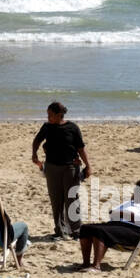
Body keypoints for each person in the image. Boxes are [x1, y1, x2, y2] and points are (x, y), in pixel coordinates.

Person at [31, 101, 90, 240]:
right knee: (56, 200)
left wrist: (88, 165)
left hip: (70, 168)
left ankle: (76, 231)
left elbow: (81, 148)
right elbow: (36, 141)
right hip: (51, 168)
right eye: (47, 115)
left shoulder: (72, 128)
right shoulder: (47, 127)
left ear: (59, 115)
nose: (48, 118)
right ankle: (59, 230)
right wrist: (34, 154)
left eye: (50, 115)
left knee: (72, 199)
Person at [77, 177, 140, 270]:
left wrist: (122, 214)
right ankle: (86, 264)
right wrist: (122, 213)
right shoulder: (131, 202)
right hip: (117, 225)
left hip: (136, 233)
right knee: (85, 228)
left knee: (100, 231)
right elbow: (112, 213)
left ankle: (96, 266)